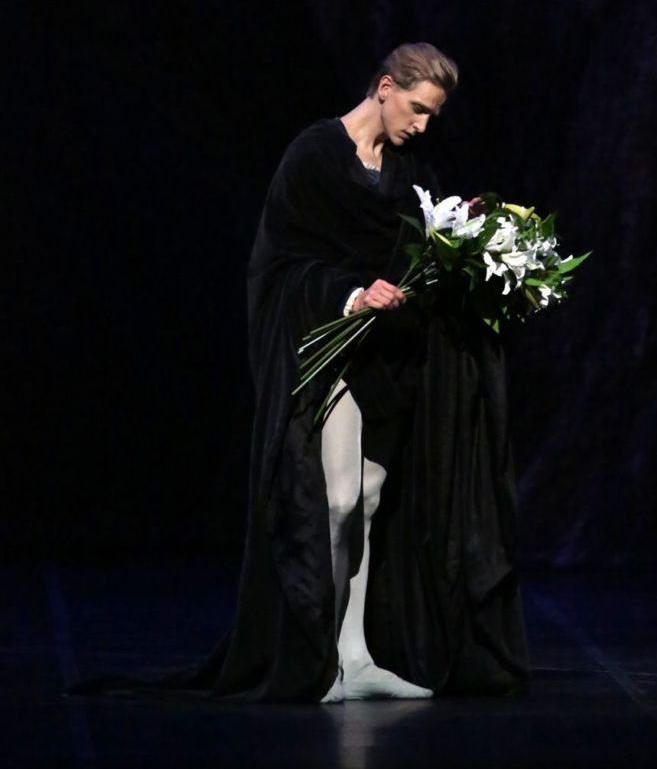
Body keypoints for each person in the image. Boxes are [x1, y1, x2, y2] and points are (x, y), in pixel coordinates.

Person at [67, 43, 530, 703]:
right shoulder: (314, 157)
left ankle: (356, 655)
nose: (424, 125)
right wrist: (348, 294)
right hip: (324, 346)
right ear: (383, 87)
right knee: (337, 500)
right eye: (418, 108)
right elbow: (280, 263)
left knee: (368, 502)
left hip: (386, 359)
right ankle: (316, 655)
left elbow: (410, 256)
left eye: (434, 115)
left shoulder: (404, 175)